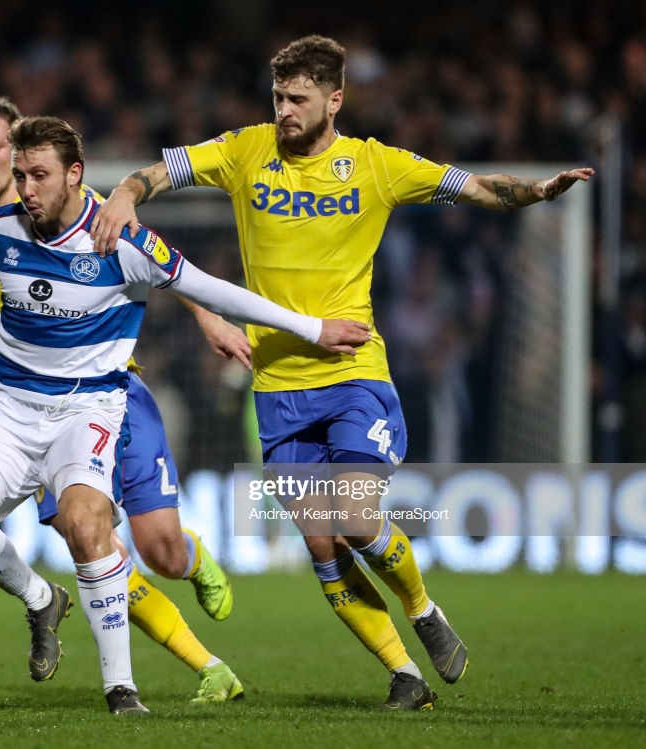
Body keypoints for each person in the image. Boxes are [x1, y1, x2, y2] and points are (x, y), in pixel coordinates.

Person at [90, 34, 594, 710]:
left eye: (298, 99)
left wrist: (533, 193)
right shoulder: (246, 151)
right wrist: (125, 193)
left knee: (355, 518)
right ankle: (405, 676)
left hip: (354, 371)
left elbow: (472, 187)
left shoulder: (375, 165)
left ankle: (422, 608)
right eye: (278, 97)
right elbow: (157, 174)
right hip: (276, 389)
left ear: (335, 99)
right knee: (321, 540)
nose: (285, 110)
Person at [0, 114, 370, 714]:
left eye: (39, 176)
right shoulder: (3, 228)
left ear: (74, 175)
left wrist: (311, 328)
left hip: (89, 406)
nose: (26, 189)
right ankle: (40, 600)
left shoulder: (120, 240)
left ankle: (121, 688)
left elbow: (210, 288)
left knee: (90, 525)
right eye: (20, 175)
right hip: (9, 404)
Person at [0, 95, 251, 702]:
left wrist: (208, 318)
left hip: (115, 389)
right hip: (30, 405)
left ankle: (192, 557)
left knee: (160, 552)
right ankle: (204, 667)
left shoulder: (79, 204)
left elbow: (155, 261)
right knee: (93, 542)